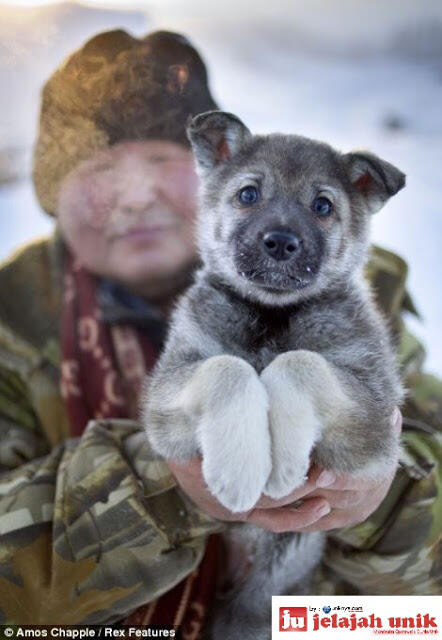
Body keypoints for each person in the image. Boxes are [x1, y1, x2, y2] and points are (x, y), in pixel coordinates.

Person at [0, 28, 440, 631]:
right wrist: (164, 483)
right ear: (55, 192)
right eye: (99, 167)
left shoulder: (372, 297)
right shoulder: (9, 323)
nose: (134, 195)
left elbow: (424, 608)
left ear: (208, 165)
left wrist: (378, 497)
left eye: (159, 159)